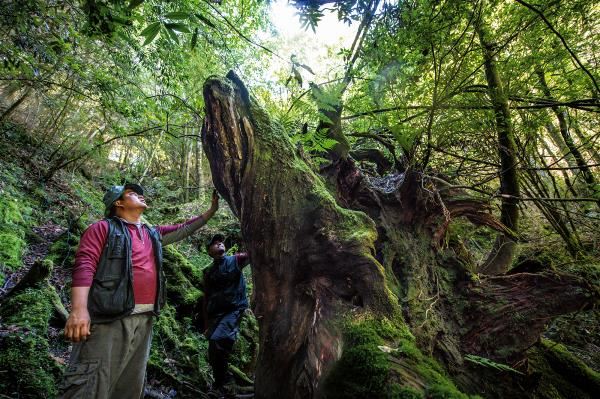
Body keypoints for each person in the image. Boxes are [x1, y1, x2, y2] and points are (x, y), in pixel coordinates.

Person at [60, 183, 219, 399]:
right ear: (118, 202)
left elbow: (184, 228)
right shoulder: (102, 228)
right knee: (91, 384)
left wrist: (211, 211)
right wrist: (79, 310)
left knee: (129, 387)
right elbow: (84, 265)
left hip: (145, 319)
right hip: (109, 318)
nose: (141, 196)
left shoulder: (151, 233)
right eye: (133, 194)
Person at [202, 234, 250, 396]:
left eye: (220, 242)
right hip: (216, 314)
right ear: (209, 251)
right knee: (213, 349)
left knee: (219, 341)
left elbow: (254, 254)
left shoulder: (236, 260)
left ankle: (226, 385)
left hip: (234, 310)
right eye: (214, 243)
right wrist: (207, 324)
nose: (219, 243)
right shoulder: (208, 272)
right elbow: (207, 297)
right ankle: (221, 386)